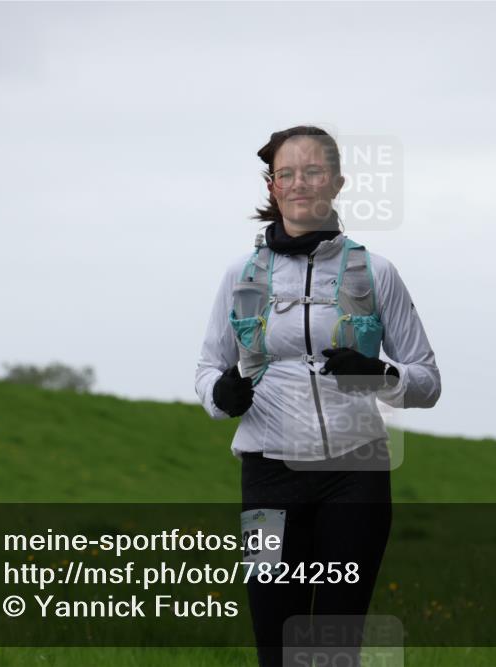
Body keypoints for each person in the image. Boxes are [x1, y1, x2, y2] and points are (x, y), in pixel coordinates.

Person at [195, 125, 440, 666]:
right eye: (287, 174)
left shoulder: (376, 273)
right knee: (274, 643)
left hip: (355, 477)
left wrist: (379, 373)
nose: (300, 183)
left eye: (313, 172)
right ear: (273, 186)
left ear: (337, 183)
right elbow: (207, 370)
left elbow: (427, 381)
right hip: (267, 476)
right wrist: (222, 394)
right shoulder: (241, 275)